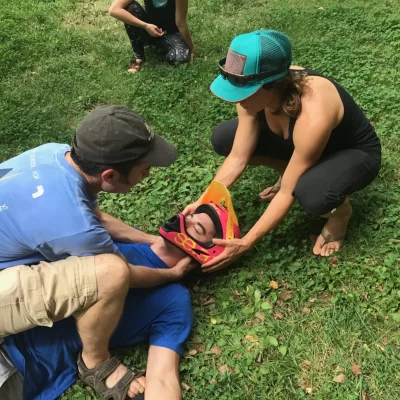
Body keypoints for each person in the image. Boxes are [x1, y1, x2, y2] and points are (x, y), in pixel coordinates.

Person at [0, 105, 195, 399]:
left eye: (198, 228)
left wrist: (149, 240)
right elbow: (122, 275)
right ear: (110, 175)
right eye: (144, 167)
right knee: (112, 272)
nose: (148, 172)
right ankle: (95, 362)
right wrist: (172, 273)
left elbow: (97, 218)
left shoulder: (56, 154)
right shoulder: (77, 228)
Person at [184, 29, 381, 271]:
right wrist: (204, 200)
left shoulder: (314, 113)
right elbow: (238, 156)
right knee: (225, 137)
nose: (236, 100)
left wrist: (246, 243)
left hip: (353, 153)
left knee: (311, 193)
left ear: (274, 86)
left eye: (243, 93)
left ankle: (340, 214)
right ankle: (292, 168)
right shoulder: (258, 88)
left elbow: (288, 192)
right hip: (302, 146)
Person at [0, 206, 220, 400]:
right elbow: (88, 213)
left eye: (196, 228)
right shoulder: (116, 236)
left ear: (204, 253)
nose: (183, 220)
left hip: (21, 361)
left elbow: (162, 377)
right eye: (189, 216)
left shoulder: (174, 300)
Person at [109, 0, 194, 73]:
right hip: (148, 30)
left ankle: (158, 46)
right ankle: (139, 57)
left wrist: (191, 49)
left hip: (170, 34)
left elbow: (181, 23)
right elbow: (114, 10)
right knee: (131, 8)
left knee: (180, 59)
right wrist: (145, 26)